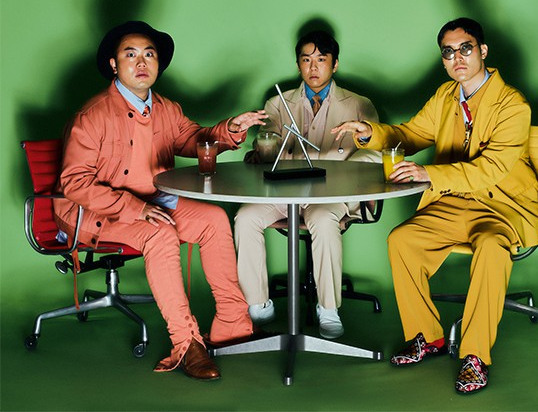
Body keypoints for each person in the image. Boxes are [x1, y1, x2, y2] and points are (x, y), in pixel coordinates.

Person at [332, 17, 538, 393]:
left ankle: (475, 356)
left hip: (502, 207)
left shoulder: (513, 105)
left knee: (492, 248)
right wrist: (370, 133)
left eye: (465, 49)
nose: (457, 58)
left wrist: (428, 174)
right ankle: (427, 337)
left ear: (483, 51)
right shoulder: (446, 96)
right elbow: (410, 134)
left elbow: (490, 169)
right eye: (448, 52)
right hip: (452, 202)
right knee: (402, 240)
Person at [53, 20, 268, 380]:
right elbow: (75, 183)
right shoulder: (92, 116)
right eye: (131, 54)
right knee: (160, 235)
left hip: (153, 201)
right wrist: (136, 208)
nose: (141, 62)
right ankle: (186, 343)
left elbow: (196, 139)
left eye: (149, 54)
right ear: (113, 65)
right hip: (91, 211)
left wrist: (231, 129)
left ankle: (232, 323)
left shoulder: (166, 109)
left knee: (214, 219)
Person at [235, 30, 380, 339]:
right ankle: (258, 303)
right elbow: (266, 150)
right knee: (245, 217)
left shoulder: (360, 104)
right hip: (284, 192)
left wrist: (346, 172)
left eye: (321, 60)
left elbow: (376, 154)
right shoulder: (277, 103)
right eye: (306, 60)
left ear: (335, 64)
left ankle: (328, 309)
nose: (313, 67)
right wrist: (263, 149)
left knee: (323, 220)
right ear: (298, 64)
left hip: (333, 195)